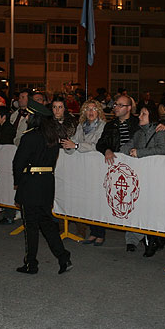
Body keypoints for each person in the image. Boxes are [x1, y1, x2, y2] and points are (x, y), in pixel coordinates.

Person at [12, 100, 72, 275]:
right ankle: (63, 257)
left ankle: (31, 263)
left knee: (30, 225)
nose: (28, 118)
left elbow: (18, 162)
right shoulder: (52, 136)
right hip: (47, 182)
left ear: (35, 118)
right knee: (46, 223)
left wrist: (17, 181)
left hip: (31, 183)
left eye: (30, 115)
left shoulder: (29, 136)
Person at [120, 104, 165, 256]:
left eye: (143, 114)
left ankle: (152, 239)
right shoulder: (139, 133)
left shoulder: (160, 132)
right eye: (140, 113)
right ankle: (135, 239)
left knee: (152, 209)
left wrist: (139, 153)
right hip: (140, 176)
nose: (139, 116)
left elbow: (162, 149)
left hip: (155, 177)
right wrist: (129, 151)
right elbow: (125, 147)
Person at [95, 95, 141, 249]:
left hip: (137, 167)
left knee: (135, 201)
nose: (115, 107)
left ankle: (133, 238)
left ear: (128, 108)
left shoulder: (138, 123)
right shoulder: (110, 125)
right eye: (115, 104)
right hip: (118, 169)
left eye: (120, 105)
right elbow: (101, 143)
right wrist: (107, 149)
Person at [61, 100, 107, 238]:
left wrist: (75, 146)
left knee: (97, 200)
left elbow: (97, 145)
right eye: (87, 109)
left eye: (94, 109)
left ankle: (99, 233)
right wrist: (66, 145)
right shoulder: (81, 126)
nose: (91, 112)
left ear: (99, 111)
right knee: (87, 200)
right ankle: (92, 231)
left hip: (97, 167)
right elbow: (73, 144)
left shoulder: (103, 126)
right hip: (83, 170)